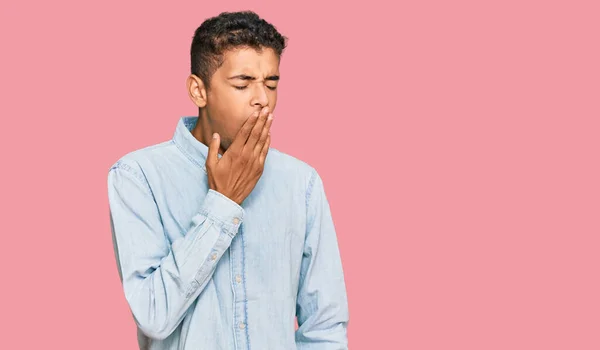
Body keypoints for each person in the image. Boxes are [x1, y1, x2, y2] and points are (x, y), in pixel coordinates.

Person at [107, 10, 349, 350]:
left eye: (271, 83)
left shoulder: (301, 183)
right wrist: (223, 204)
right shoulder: (138, 176)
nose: (262, 99)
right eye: (243, 83)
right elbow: (153, 315)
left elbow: (325, 327)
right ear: (198, 91)